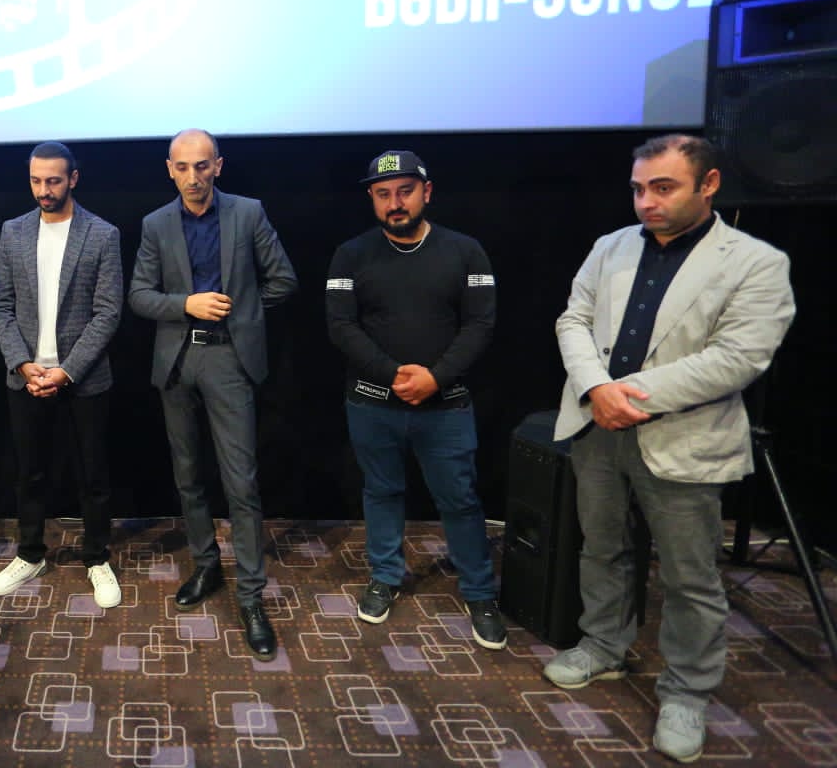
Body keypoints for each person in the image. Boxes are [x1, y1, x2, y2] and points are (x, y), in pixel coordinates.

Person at [546, 134, 795, 763]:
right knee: (602, 548)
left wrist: (624, 394)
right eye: (638, 189)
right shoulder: (610, 246)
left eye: (663, 188)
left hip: (684, 438)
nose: (646, 202)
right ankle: (603, 645)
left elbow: (738, 358)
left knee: (690, 577)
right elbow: (573, 320)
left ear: (708, 185)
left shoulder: (755, 262)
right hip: (597, 429)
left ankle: (687, 691)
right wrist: (596, 389)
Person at [324, 150, 506, 650]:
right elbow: (340, 326)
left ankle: (479, 592)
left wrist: (436, 377)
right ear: (372, 198)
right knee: (382, 491)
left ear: (427, 191)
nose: (395, 203)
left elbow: (480, 323)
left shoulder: (465, 251)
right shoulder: (350, 254)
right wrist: (392, 374)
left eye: (404, 191)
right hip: (370, 401)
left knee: (460, 499)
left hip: (445, 403)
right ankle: (385, 575)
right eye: (383, 194)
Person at [129, 129, 298, 660]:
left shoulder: (248, 213)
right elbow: (139, 296)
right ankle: (206, 566)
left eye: (202, 166)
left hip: (228, 358)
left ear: (218, 166)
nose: (193, 177)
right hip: (178, 360)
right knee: (188, 476)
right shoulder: (156, 224)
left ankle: (251, 597)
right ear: (169, 169)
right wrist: (187, 304)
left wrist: (241, 315)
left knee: (241, 483)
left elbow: (283, 280)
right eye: (183, 167)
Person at [0, 142, 124, 607]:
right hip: (25, 377)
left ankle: (97, 558)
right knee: (30, 473)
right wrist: (21, 363)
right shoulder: (13, 231)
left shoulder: (102, 234)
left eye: (53, 181)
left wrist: (66, 371)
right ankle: (30, 554)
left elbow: (107, 312)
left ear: (73, 179)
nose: (43, 190)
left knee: (93, 476)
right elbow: (1, 305)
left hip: (84, 379)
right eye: (36, 180)